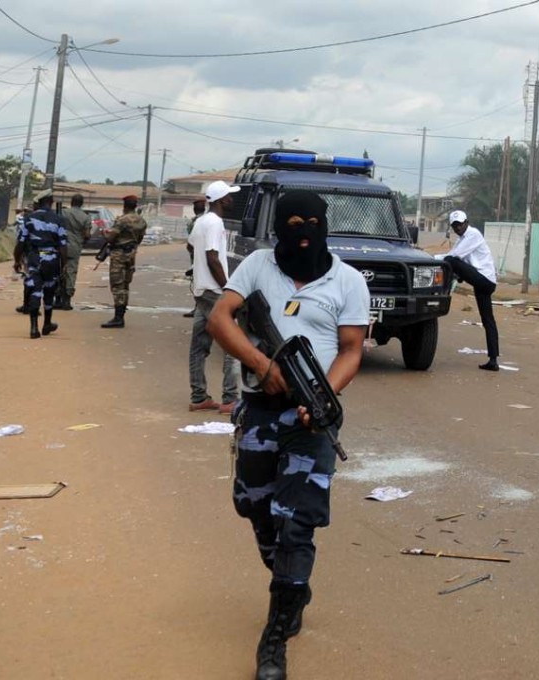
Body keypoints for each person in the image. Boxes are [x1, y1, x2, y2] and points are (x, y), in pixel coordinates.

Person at [207, 189, 369, 680]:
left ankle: (276, 634)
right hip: (259, 406)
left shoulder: (349, 281)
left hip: (312, 417)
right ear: (279, 225)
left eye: (312, 222)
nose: (303, 231)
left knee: (296, 520)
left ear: (325, 224)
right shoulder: (258, 265)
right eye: (293, 222)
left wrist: (324, 396)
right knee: (255, 507)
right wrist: (262, 364)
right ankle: (293, 582)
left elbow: (351, 350)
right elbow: (221, 318)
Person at [187, 183, 238, 413]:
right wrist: (227, 288)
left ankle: (199, 397)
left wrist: (197, 270)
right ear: (221, 200)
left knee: (199, 346)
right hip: (214, 292)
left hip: (200, 290)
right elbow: (212, 257)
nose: (231, 199)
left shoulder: (201, 221)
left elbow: (190, 246)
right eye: (229, 196)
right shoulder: (215, 222)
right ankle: (230, 398)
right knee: (233, 345)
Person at [436, 209, 500, 371]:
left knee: (451, 261)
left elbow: (455, 256)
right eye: (455, 226)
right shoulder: (463, 239)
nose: (458, 228)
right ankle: (493, 360)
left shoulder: (473, 234)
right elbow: (453, 253)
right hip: (482, 282)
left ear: (467, 222)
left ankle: (444, 289)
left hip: (484, 280)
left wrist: (432, 258)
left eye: (460, 224)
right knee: (487, 320)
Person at [13, 189, 67, 339]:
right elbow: (63, 245)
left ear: (39, 202)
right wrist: (63, 265)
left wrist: (17, 261)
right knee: (49, 291)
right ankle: (47, 324)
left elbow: (21, 243)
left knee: (35, 291)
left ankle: (33, 328)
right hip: (52, 258)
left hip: (34, 258)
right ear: (51, 202)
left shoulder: (29, 218)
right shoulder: (58, 219)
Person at [100, 195, 147, 329]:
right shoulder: (141, 221)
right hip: (131, 255)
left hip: (119, 255)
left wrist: (105, 233)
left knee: (117, 285)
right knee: (125, 284)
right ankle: (121, 314)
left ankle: (118, 318)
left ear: (125, 206)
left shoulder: (122, 220)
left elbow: (111, 237)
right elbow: (140, 239)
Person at [55, 194, 92, 311]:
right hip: (75, 247)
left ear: (71, 202)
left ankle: (57, 299)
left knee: (58, 270)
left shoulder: (63, 213)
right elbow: (87, 235)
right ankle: (67, 300)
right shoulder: (85, 217)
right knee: (71, 273)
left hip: (60, 246)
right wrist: (83, 240)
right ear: (81, 203)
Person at [183, 198, 207, 318]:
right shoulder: (207, 220)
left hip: (197, 255)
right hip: (205, 254)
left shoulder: (195, 222)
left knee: (197, 282)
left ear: (194, 209)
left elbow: (191, 241)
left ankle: (198, 308)